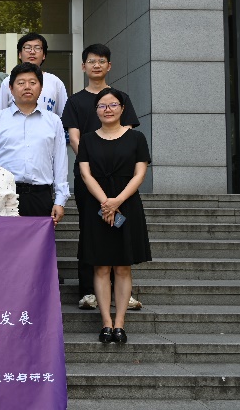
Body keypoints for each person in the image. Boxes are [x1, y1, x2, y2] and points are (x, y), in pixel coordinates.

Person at [62, 44, 142, 311]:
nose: (96, 65)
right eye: (91, 61)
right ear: (83, 66)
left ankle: (122, 292)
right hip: (88, 177)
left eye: (101, 61)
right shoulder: (75, 101)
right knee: (90, 231)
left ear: (109, 66)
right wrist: (91, 160)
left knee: (121, 231)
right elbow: (74, 137)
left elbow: (127, 135)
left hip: (120, 179)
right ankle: (89, 290)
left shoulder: (121, 97)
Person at [77, 87, 151, 344]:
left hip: (127, 204)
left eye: (113, 105)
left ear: (122, 108)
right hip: (96, 204)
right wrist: (105, 203)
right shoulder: (87, 139)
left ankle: (120, 323)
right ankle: (106, 323)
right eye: (102, 106)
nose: (107, 109)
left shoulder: (137, 138)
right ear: (96, 111)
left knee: (122, 266)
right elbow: (85, 174)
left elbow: (140, 174)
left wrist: (117, 201)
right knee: (100, 266)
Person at [0, 63, 69, 225]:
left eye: (32, 82)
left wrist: (60, 200)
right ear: (11, 88)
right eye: (21, 83)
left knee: (38, 242)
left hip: (40, 196)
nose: (27, 87)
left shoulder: (53, 121)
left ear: (41, 88)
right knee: (3, 241)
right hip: (3, 195)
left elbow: (60, 162)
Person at [0, 33, 68, 117]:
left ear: (44, 55)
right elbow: (1, 115)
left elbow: (64, 116)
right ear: (20, 54)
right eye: (27, 48)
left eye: (37, 48)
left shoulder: (55, 82)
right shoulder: (7, 82)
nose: (32, 52)